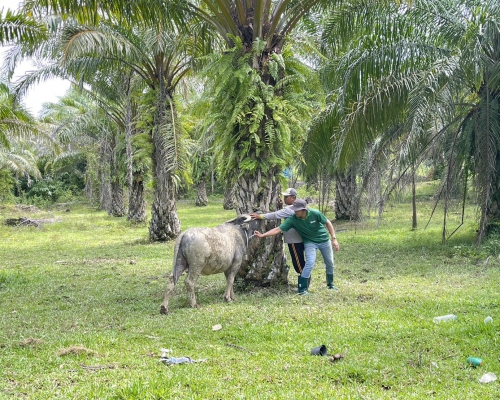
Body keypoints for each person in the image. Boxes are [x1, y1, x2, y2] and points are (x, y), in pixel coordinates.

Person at [254, 199, 339, 295]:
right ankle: (302, 289)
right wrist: (262, 235)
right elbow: (278, 229)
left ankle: (330, 284)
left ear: (304, 210)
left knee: (330, 262)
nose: (295, 212)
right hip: (309, 242)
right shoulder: (293, 219)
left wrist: (334, 238)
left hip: (324, 241)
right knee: (310, 262)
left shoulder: (315, 213)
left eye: (297, 210)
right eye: (294, 210)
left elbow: (328, 222)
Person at [250, 188, 305, 277]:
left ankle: (303, 284)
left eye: (286, 197)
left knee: (298, 263)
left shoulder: (290, 209)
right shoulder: (295, 208)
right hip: (298, 239)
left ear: (293, 198)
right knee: (299, 261)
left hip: (295, 241)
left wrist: (260, 216)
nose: (284, 198)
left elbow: (275, 215)